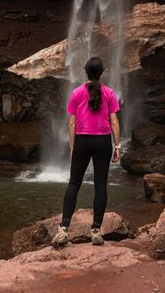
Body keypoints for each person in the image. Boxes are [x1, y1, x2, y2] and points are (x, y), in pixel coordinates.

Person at [52, 56, 121, 247]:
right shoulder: (109, 93)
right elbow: (114, 121)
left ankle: (64, 229)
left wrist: (73, 146)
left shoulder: (76, 93)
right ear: (102, 73)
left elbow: (72, 122)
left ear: (86, 71)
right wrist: (117, 146)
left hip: (82, 139)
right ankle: (96, 231)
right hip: (102, 141)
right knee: (101, 185)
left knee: (74, 183)